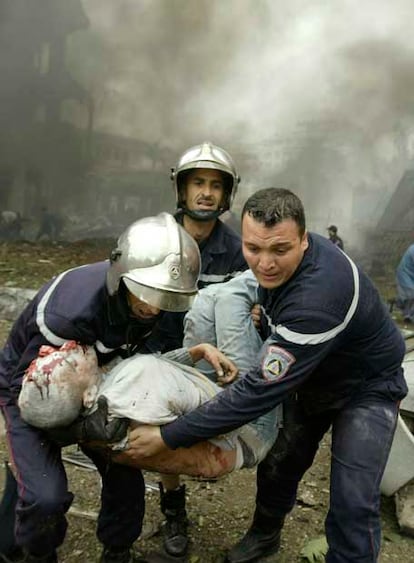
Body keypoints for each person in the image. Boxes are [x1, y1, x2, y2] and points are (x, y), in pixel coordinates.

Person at [122, 188, 407, 563]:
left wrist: (168, 434)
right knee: (280, 463)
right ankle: (264, 536)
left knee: (353, 496)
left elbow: (256, 393)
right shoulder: (281, 271)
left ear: (305, 240)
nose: (265, 263)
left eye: (280, 250)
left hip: (365, 387)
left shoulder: (319, 298)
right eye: (254, 249)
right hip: (312, 376)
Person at [0, 212, 200, 563]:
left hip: (99, 386)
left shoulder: (156, 308)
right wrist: (80, 425)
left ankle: (117, 550)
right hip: (33, 391)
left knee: (127, 475)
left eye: (164, 296)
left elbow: (143, 362)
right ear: (120, 274)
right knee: (43, 496)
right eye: (146, 292)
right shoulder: (68, 313)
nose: (152, 305)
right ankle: (35, 553)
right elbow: (26, 390)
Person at [141, 141, 248, 557]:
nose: (206, 192)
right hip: (152, 351)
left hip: (210, 361)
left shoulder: (238, 252)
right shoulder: (154, 237)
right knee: (148, 431)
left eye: (215, 185)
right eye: (198, 183)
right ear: (181, 190)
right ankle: (173, 511)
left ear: (226, 195)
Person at [395, 242, 414, 324]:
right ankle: (407, 315)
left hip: (411, 274)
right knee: (410, 294)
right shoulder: (412, 249)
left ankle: (402, 306)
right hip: (404, 273)